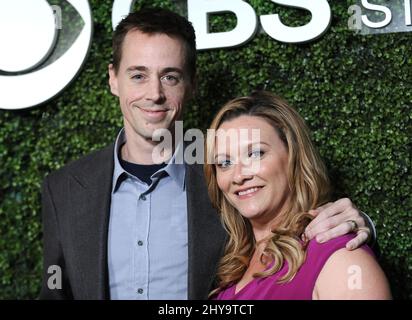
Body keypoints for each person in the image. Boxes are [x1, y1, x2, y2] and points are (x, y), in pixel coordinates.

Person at [40, 8, 375, 300]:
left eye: (170, 76)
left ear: (192, 84)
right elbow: (55, 289)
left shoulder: (225, 174)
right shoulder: (65, 189)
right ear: (114, 79)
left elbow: (284, 223)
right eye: (138, 75)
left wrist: (356, 228)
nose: (154, 93)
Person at [204, 91, 391, 299]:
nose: (238, 176)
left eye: (255, 154)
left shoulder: (340, 255)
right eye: (225, 163)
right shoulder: (232, 268)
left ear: (293, 157)